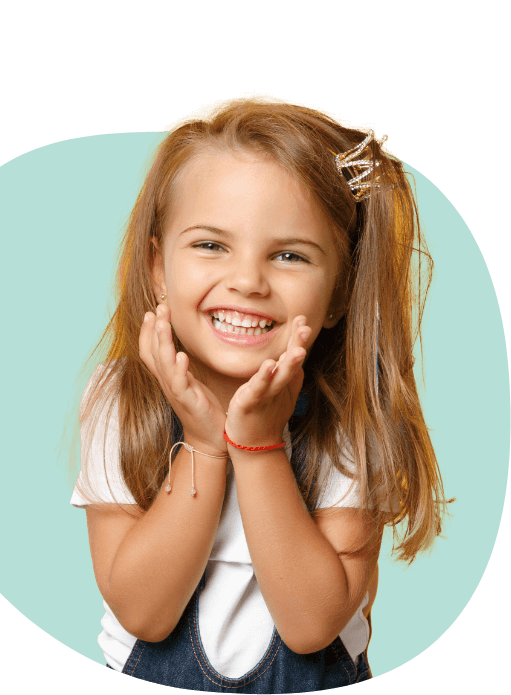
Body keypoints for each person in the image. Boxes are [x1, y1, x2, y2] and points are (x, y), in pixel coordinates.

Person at [67, 95, 455, 691]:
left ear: (341, 292)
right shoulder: (120, 400)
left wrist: (259, 446)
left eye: (289, 255)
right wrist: (203, 442)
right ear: (156, 268)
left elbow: (311, 626)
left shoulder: (351, 420)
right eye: (210, 245)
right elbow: (143, 614)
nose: (248, 281)